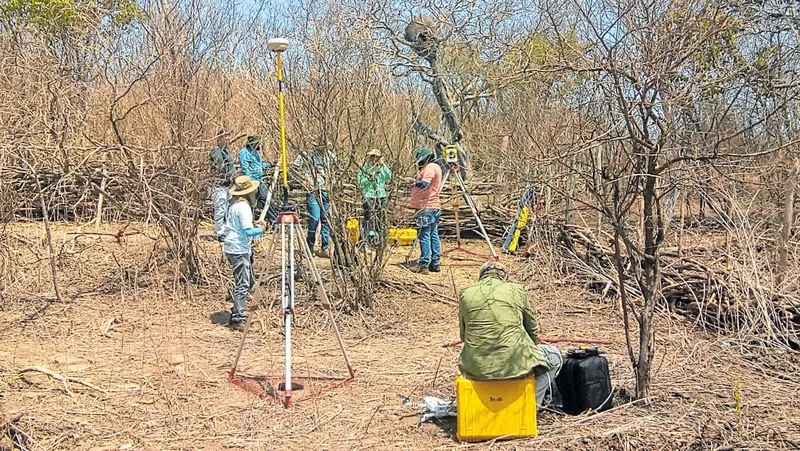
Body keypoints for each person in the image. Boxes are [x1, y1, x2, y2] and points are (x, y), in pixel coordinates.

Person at [458, 262, 563, 407]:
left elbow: (463, 336)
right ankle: (531, 405)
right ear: (505, 277)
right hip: (514, 365)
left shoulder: (466, 293)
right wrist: (531, 348)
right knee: (554, 357)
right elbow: (532, 329)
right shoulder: (516, 290)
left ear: (480, 277)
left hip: (476, 367)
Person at [223, 175, 266, 330]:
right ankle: (237, 318)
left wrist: (254, 225)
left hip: (232, 247)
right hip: (239, 248)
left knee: (248, 281)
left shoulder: (234, 206)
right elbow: (248, 231)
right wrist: (261, 229)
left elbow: (240, 226)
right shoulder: (244, 208)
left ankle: (237, 308)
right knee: (243, 283)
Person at [292, 140, 338, 258]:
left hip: (326, 191)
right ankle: (310, 246)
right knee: (314, 218)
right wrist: (303, 180)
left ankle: (325, 247)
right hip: (312, 191)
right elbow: (294, 169)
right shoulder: (307, 155)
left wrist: (332, 182)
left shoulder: (331, 157)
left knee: (326, 219)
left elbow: (336, 171)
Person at [409, 146, 442, 274]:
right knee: (433, 234)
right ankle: (435, 262)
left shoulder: (430, 167)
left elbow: (425, 183)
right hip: (431, 206)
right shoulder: (435, 167)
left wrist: (413, 182)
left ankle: (424, 264)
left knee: (424, 235)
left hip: (426, 207)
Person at [356, 149, 392, 248]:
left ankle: (383, 242)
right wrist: (369, 179)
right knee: (368, 219)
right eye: (372, 157)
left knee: (381, 220)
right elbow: (360, 181)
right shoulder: (364, 168)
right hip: (369, 196)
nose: (374, 159)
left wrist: (383, 165)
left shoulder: (382, 168)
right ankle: (365, 243)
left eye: (376, 157)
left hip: (381, 196)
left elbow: (388, 177)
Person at [209, 129, 236, 242]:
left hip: (228, 185)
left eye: (228, 137)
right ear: (219, 138)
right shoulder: (216, 151)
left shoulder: (226, 150)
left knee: (229, 209)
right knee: (220, 209)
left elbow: (230, 166)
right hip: (219, 185)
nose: (227, 139)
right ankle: (219, 232)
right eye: (225, 137)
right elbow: (220, 167)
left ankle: (227, 230)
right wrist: (229, 175)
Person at [238, 135, 273, 218]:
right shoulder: (244, 153)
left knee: (268, 200)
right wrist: (250, 182)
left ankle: (273, 221)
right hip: (252, 182)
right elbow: (245, 168)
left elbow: (259, 164)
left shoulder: (255, 153)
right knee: (252, 203)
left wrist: (269, 165)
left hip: (259, 181)